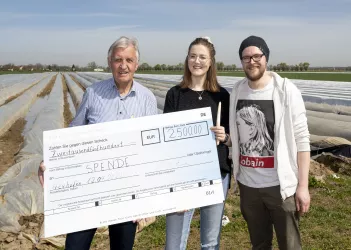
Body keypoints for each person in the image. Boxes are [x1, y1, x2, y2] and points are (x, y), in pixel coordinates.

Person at [38, 36, 157, 250]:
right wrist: (52, 162)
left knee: (122, 246)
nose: (123, 66)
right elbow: (74, 133)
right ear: (109, 62)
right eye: (118, 60)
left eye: (129, 60)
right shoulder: (93, 93)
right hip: (90, 188)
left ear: (136, 64)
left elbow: (151, 147)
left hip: (126, 191)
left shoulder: (147, 98)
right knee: (75, 246)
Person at [229, 35, 311, 250]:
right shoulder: (237, 91)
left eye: (257, 56)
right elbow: (237, 135)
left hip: (280, 187)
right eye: (246, 57)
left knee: (290, 245)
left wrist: (303, 187)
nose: (252, 61)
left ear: (266, 58)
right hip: (248, 186)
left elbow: (302, 141)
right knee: (259, 244)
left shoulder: (286, 91)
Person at [163, 36, 231, 250]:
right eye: (193, 56)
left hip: (215, 174)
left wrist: (225, 136)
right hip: (182, 176)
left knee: (210, 243)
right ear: (187, 60)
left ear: (211, 62)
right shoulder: (175, 95)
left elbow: (231, 138)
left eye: (202, 57)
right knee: (174, 244)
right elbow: (166, 139)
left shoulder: (222, 96)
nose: (197, 61)